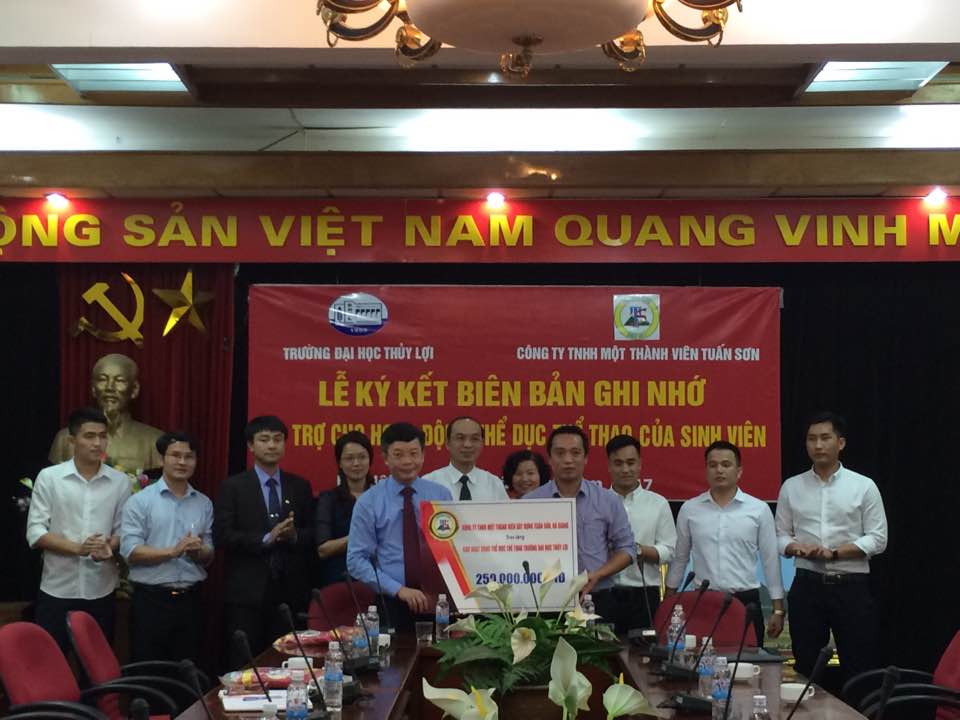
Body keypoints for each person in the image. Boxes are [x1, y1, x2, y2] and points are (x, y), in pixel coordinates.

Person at [775, 411, 888, 683]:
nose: (818, 445)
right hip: (807, 585)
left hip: (851, 587)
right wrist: (795, 548)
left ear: (841, 443)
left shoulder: (863, 486)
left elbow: (878, 538)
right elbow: (779, 536)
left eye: (825, 438)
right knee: (806, 667)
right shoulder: (792, 487)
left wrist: (835, 553)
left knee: (859, 667)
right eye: (811, 439)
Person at [26, 407, 131, 652]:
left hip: (101, 590)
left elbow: (122, 531)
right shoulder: (50, 477)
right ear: (72, 440)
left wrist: (109, 546)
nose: (97, 443)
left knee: (96, 667)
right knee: (53, 663)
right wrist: (78, 549)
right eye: (89, 436)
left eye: (102, 436)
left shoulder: (120, 482)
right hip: (57, 589)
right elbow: (36, 531)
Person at [214, 415, 315, 669]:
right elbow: (222, 535)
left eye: (278, 440)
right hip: (247, 593)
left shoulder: (300, 486)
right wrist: (266, 538)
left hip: (290, 593)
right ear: (251, 445)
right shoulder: (233, 487)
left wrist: (294, 535)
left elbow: (313, 534)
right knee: (246, 664)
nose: (272, 445)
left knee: (289, 663)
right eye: (264, 439)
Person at [667, 441, 784, 647]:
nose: (719, 470)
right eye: (713, 465)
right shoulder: (690, 509)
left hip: (745, 601)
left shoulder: (758, 509)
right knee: (701, 661)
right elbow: (680, 559)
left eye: (726, 465)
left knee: (748, 661)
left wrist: (778, 609)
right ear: (706, 470)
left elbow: (770, 561)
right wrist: (668, 602)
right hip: (703, 602)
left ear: (739, 471)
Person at [347, 422, 453, 631]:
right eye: (398, 455)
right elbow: (356, 560)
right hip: (391, 600)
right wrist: (398, 589)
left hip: (436, 599)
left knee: (438, 651)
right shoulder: (369, 501)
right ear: (385, 458)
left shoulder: (440, 495)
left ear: (423, 455)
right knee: (394, 652)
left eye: (414, 454)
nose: (407, 461)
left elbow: (451, 547)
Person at [120, 431, 214, 664]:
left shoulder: (203, 502)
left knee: (188, 670)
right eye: (175, 455)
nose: (182, 462)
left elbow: (209, 555)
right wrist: (173, 552)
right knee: (149, 670)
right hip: (151, 601)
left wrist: (199, 551)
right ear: (162, 459)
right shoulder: (140, 501)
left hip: (191, 600)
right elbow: (130, 552)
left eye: (189, 457)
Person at [522, 425, 636, 614]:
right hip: (545, 599)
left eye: (575, 453)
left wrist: (598, 574)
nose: (568, 460)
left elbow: (627, 549)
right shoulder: (530, 502)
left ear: (586, 458)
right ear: (550, 459)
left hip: (597, 597)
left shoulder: (607, 500)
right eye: (560, 453)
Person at [606, 434, 677, 635]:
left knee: (643, 652)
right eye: (618, 463)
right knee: (604, 651)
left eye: (630, 463)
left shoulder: (658, 503)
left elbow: (670, 551)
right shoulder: (598, 502)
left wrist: (636, 550)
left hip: (644, 596)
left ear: (640, 464)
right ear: (609, 466)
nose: (625, 469)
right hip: (605, 594)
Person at [49, 353, 163, 471]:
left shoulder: (154, 441)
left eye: (119, 381)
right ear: (93, 388)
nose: (110, 387)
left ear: (134, 389)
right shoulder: (65, 439)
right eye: (102, 380)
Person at [315, 430, 375, 587]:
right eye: (349, 458)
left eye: (362, 457)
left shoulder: (382, 496)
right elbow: (323, 549)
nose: (356, 463)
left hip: (380, 581)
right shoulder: (328, 499)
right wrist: (359, 536)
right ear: (340, 463)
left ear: (370, 459)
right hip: (341, 581)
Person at [424, 416, 509, 501]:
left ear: (482, 443)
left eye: (474, 439)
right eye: (460, 438)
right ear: (447, 443)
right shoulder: (429, 482)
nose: (467, 445)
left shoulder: (494, 484)